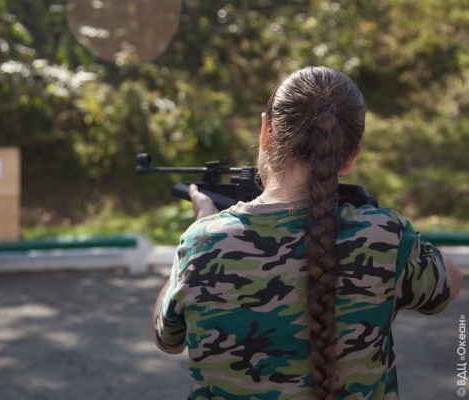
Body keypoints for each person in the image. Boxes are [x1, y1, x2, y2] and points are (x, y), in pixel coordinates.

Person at [152, 66, 463, 400]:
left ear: (266, 132)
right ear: (351, 158)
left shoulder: (200, 243)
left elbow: (167, 339)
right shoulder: (386, 237)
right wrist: (375, 220)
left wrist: (201, 226)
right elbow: (450, 284)